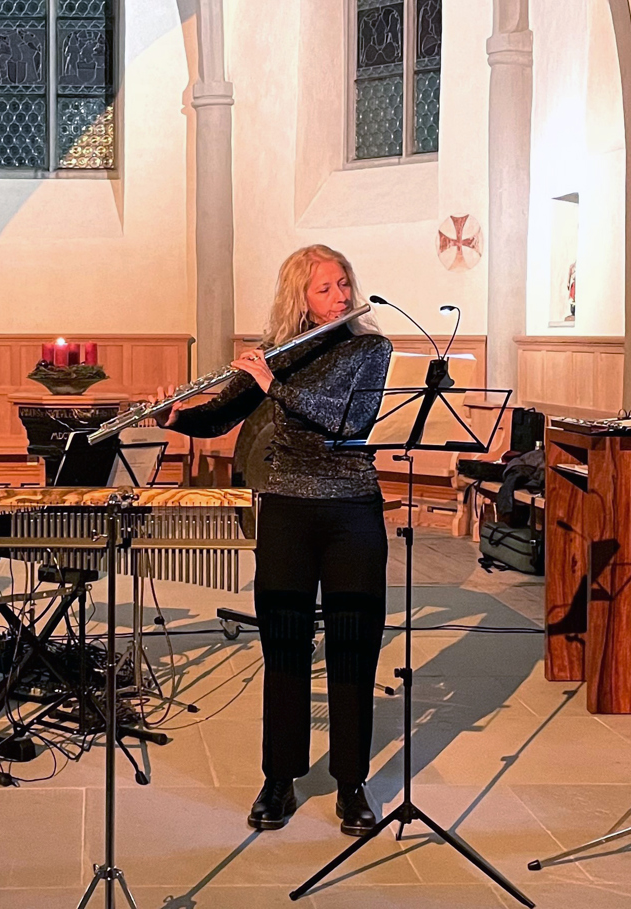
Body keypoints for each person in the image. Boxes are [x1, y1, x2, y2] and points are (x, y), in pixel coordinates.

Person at [152, 245, 392, 835]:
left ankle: (351, 782)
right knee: (284, 646)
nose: (340, 296)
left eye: (343, 283)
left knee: (353, 646)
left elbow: (347, 420)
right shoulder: (281, 351)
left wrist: (272, 382)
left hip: (351, 509)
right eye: (325, 289)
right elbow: (220, 416)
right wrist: (175, 417)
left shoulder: (370, 348)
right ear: (299, 299)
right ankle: (279, 779)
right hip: (285, 508)